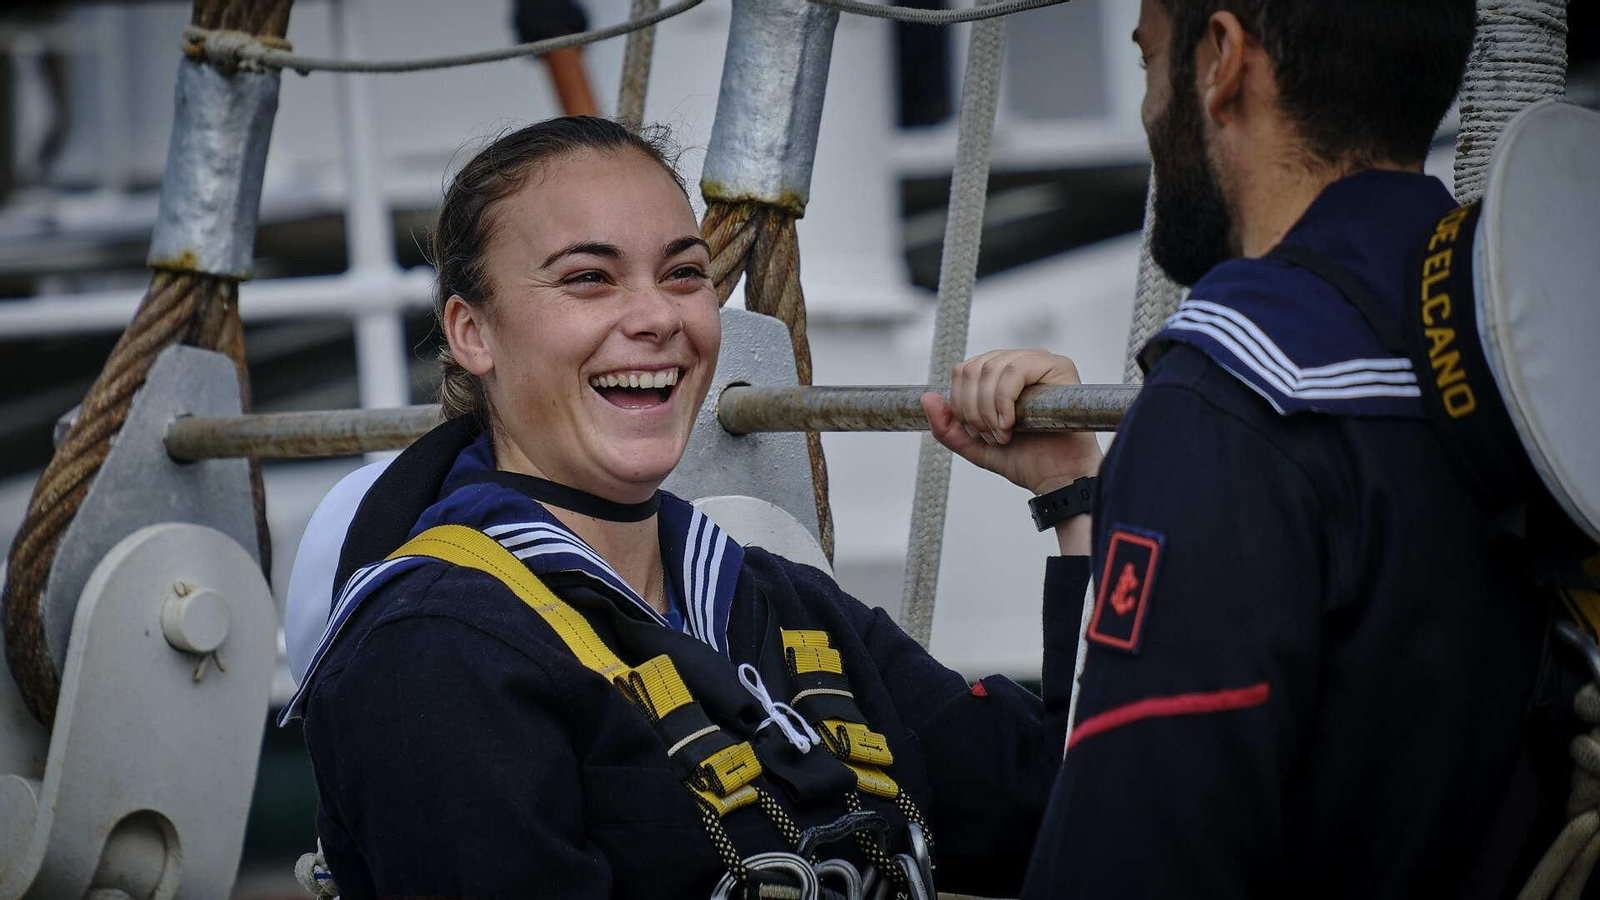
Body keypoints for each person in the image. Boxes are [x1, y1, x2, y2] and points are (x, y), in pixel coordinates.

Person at [280, 116, 1101, 899]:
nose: (656, 318)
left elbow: (1071, 812)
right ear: (473, 333)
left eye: (683, 274)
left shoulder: (778, 604)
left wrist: (1075, 498)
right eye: (588, 279)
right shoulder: (435, 652)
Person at [926, 1, 1562, 896]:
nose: (1152, 113)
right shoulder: (1541, 348)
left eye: (1150, 64)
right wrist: (1079, 496)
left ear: (1221, 59)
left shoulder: (1232, 404)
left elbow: (1128, 860)